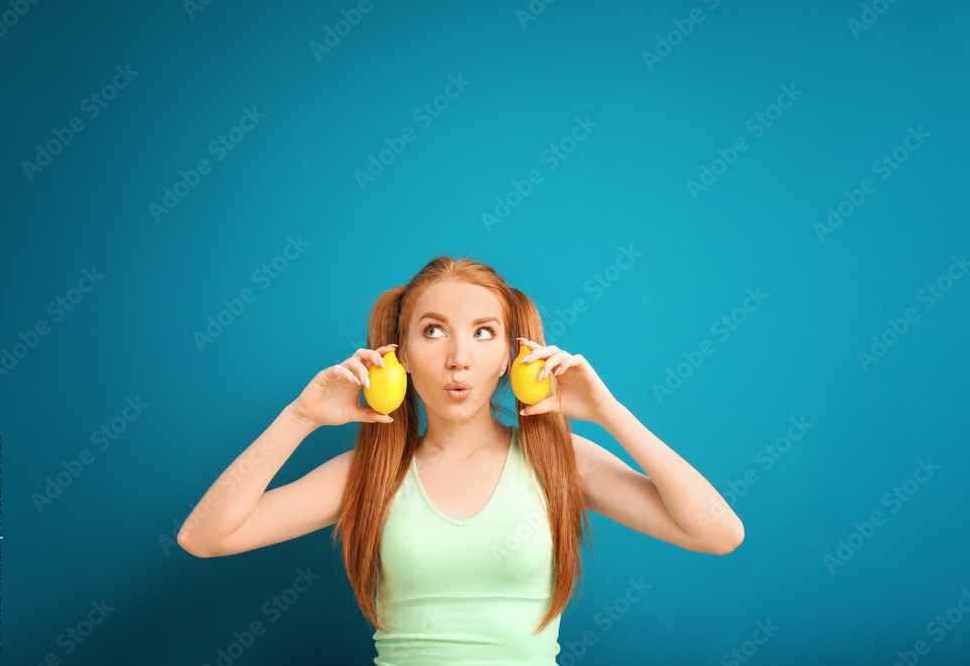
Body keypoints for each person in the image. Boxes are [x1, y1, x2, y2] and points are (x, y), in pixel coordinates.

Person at [177, 255, 745, 664]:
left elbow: (718, 533)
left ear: (508, 356)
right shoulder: (368, 475)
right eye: (433, 332)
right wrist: (298, 417)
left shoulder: (561, 461)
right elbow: (204, 537)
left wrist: (611, 413)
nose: (458, 358)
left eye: (482, 333)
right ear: (398, 357)